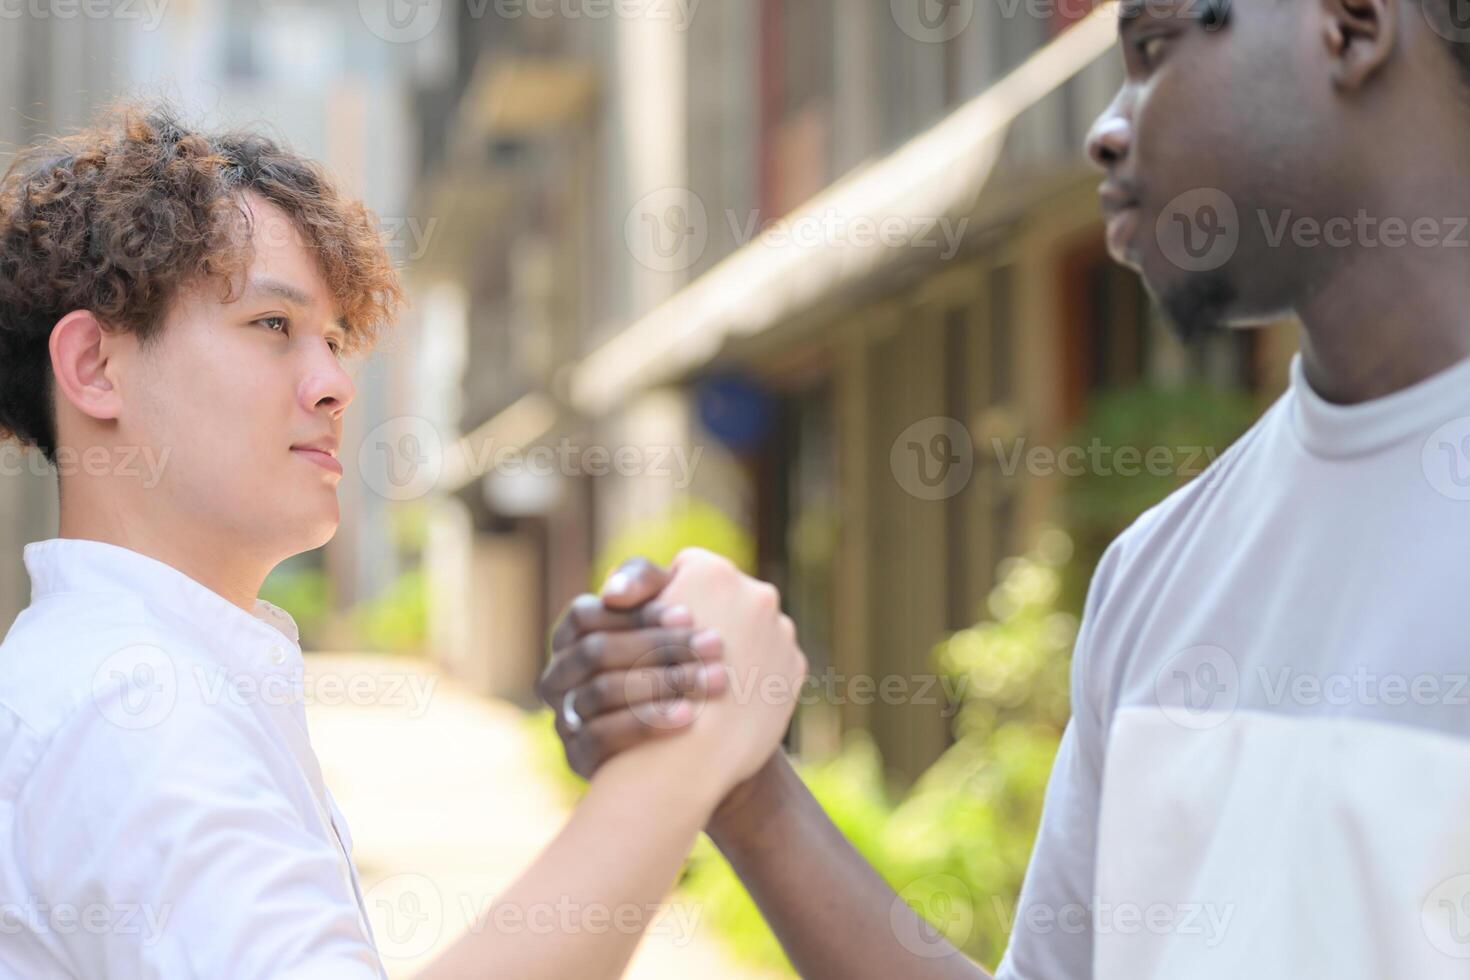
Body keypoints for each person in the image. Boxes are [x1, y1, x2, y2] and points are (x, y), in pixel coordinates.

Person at [541, 0, 1470, 975]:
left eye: (1153, 49)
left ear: (1352, 26)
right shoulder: (1159, 571)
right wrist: (741, 781)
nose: (1105, 128)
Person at [0, 105, 808, 979]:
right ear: (94, 367)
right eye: (273, 326)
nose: (336, 385)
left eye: (337, 340)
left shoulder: (132, 673)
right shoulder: (131, 703)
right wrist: (679, 762)